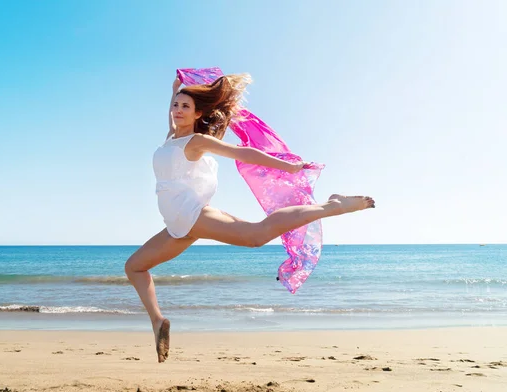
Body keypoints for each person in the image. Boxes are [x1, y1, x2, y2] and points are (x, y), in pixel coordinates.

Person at [125, 74, 375, 363]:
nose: (178, 110)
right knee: (134, 267)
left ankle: (333, 206)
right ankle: (158, 321)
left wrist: (287, 167)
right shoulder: (171, 138)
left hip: (191, 213)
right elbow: (173, 115)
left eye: (185, 106)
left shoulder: (196, 141)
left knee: (256, 236)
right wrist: (174, 91)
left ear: (198, 114)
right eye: (175, 106)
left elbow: (242, 152)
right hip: (177, 225)